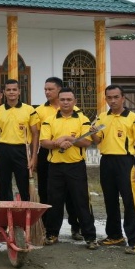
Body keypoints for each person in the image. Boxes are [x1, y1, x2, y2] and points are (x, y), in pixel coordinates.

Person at [39, 87, 98, 250]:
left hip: (75, 167)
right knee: (54, 202)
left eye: (69, 100)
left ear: (75, 102)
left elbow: (87, 142)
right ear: (58, 101)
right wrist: (58, 143)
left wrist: (68, 139)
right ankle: (52, 234)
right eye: (62, 100)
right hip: (55, 167)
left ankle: (90, 237)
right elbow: (44, 142)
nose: (65, 102)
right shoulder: (49, 120)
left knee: (81, 201)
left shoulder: (82, 119)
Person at [92, 85, 135, 255]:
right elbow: (97, 140)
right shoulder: (102, 117)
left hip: (126, 162)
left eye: (116, 97)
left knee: (130, 202)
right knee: (110, 200)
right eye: (109, 97)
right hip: (107, 161)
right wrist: (93, 132)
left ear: (123, 98)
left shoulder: (133, 118)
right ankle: (115, 235)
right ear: (105, 99)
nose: (113, 101)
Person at [35, 77, 82, 240]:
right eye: (45, 89)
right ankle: (49, 229)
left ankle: (76, 227)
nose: (47, 92)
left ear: (60, 90)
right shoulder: (40, 111)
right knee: (47, 192)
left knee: (72, 192)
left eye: (50, 89)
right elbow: (37, 136)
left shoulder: (76, 110)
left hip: (71, 155)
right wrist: (34, 156)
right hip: (47, 153)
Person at [0, 79, 39, 201]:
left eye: (14, 89)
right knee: (3, 187)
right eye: (8, 90)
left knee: (24, 186)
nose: (11, 92)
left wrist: (33, 157)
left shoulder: (29, 110)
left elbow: (35, 134)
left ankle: (25, 217)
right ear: (4, 93)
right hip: (3, 150)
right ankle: (5, 217)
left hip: (22, 150)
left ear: (19, 92)